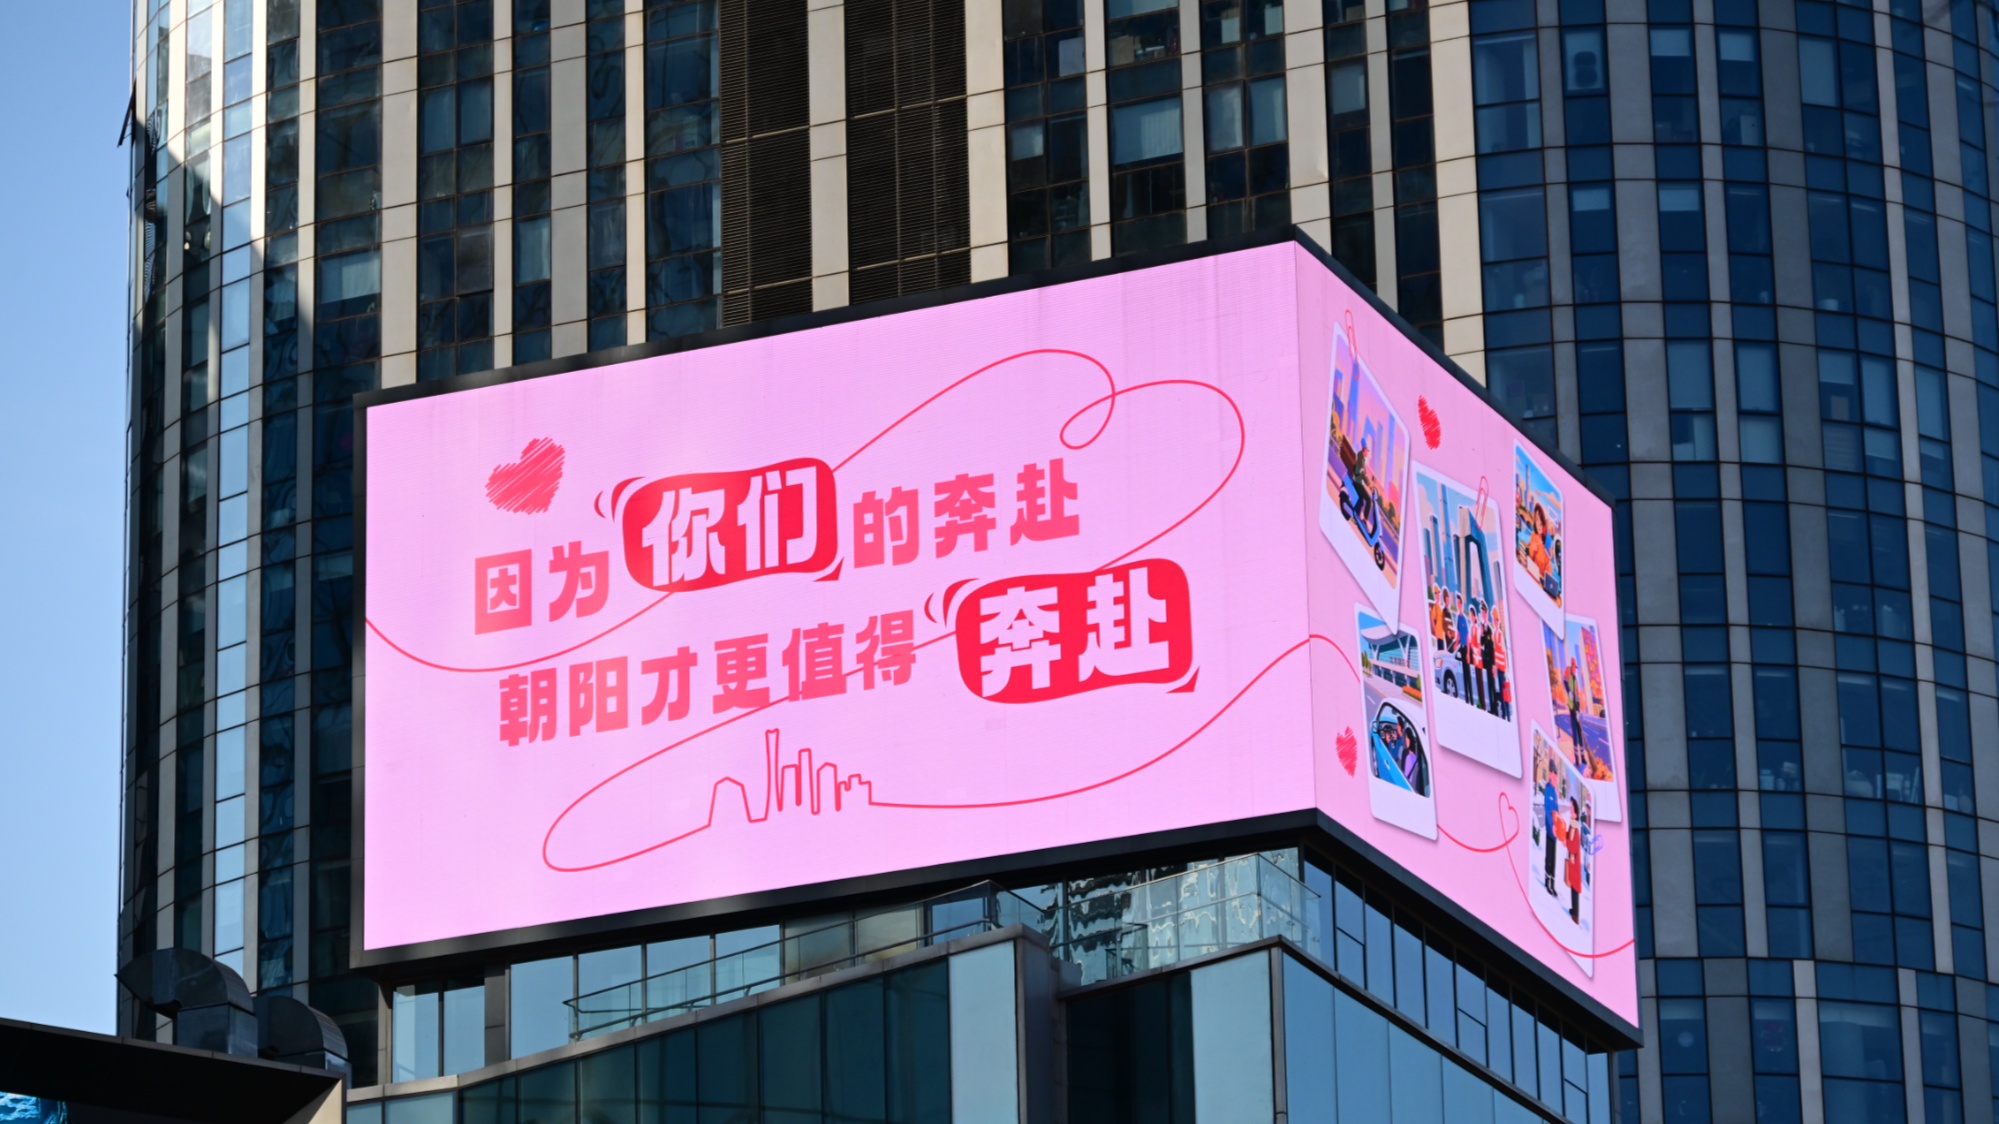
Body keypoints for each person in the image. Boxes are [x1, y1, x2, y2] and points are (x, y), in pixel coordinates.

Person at [1564, 798, 1584, 923]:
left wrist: (1567, 843)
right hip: (1573, 861)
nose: (1570, 809)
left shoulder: (1575, 826)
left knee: (1575, 887)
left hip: (1574, 861)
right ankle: (1574, 910)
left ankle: (1576, 915)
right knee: (1572, 885)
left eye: (1572, 808)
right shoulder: (1572, 824)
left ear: (1575, 812)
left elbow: (1574, 845)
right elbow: (1568, 836)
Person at [1542, 767, 1559, 895]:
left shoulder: (1554, 791)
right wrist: (1552, 825)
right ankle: (1547, 881)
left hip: (1556, 831)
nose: (1556, 779)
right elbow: (1547, 810)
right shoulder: (1548, 789)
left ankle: (1553, 883)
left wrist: (1558, 826)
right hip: (1550, 829)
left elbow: (1556, 811)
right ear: (1551, 775)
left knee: (1554, 857)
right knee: (1549, 856)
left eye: (1557, 777)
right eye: (1555, 776)